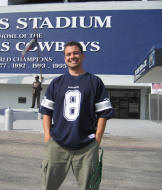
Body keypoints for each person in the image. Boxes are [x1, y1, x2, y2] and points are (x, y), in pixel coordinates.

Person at [40, 41, 113, 190]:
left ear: (82, 55)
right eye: (68, 54)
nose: (72, 56)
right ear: (64, 58)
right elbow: (46, 111)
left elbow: (104, 113)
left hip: (86, 148)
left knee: (89, 187)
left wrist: (97, 139)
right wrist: (47, 137)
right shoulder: (56, 83)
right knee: (47, 186)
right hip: (58, 145)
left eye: (75, 53)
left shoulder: (95, 82)